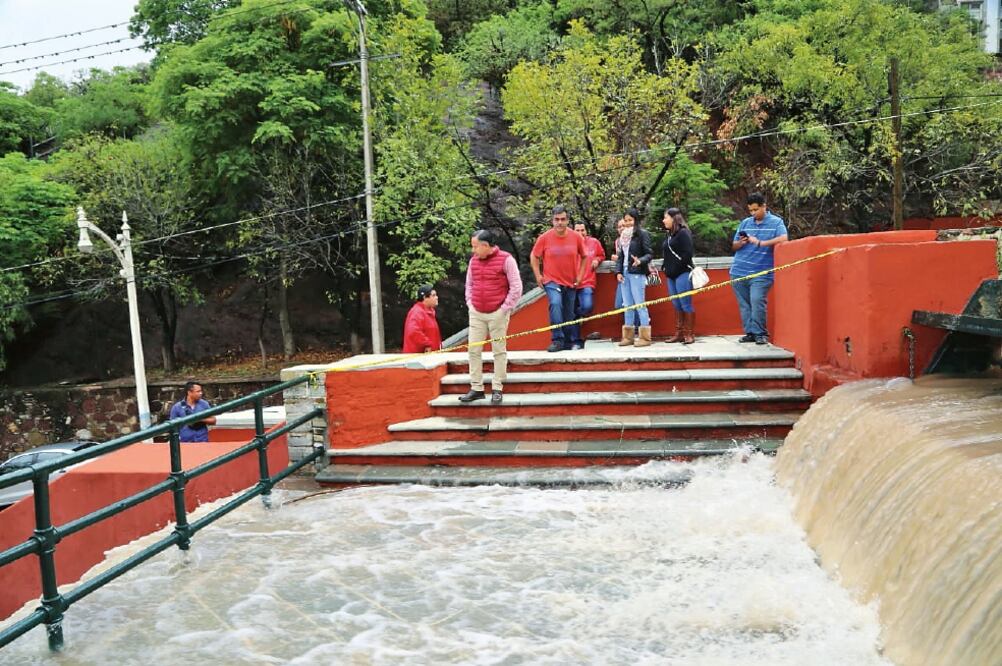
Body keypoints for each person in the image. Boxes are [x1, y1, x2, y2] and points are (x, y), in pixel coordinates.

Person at [462, 229, 523, 405]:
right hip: (477, 313)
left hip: (498, 312)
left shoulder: (506, 260)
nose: (473, 250)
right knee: (473, 350)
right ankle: (477, 388)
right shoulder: (473, 261)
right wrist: (470, 303)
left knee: (498, 350)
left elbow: (516, 287)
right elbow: (469, 284)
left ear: (485, 246)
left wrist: (504, 308)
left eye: (475, 246)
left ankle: (497, 387)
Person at [730, 192, 789, 345]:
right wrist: (741, 243)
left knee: (757, 301)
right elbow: (734, 245)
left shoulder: (776, 222)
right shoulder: (745, 223)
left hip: (762, 272)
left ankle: (760, 333)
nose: (753, 213)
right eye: (750, 210)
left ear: (764, 206)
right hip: (739, 270)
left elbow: (784, 238)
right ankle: (750, 332)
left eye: (756, 209)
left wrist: (761, 243)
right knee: (745, 304)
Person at [531, 206, 588, 352]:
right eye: (557, 219)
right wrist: (538, 275)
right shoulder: (544, 238)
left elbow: (584, 257)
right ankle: (557, 339)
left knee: (569, 313)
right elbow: (534, 256)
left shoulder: (576, 237)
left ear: (567, 220)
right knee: (556, 304)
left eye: (563, 219)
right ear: (552, 221)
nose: (560, 222)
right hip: (551, 280)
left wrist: (580, 276)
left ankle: (568, 342)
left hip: (570, 281)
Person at [615, 208, 653, 347]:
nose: (627, 223)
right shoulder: (623, 237)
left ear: (636, 220)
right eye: (625, 220)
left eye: (630, 220)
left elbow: (649, 254)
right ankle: (628, 336)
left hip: (637, 272)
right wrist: (618, 272)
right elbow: (621, 256)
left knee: (639, 304)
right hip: (625, 272)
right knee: (627, 305)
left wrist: (640, 261)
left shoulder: (642, 234)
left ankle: (645, 337)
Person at [661, 208, 696, 345]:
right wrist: (665, 267)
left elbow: (688, 254)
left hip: (682, 273)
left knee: (685, 303)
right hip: (671, 275)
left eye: (665, 218)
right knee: (676, 304)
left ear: (673, 218)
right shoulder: (670, 235)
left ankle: (689, 334)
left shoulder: (683, 233)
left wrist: (676, 268)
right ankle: (679, 333)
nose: (663, 220)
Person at [571, 222, 606, 347]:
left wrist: (597, 259)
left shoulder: (594, 242)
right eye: (577, 230)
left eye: (582, 230)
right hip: (571, 283)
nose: (580, 233)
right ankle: (576, 342)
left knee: (587, 307)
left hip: (587, 282)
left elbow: (602, 254)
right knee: (572, 313)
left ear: (586, 230)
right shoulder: (568, 243)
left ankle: (575, 315)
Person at [402, 284, 442, 353]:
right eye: (433, 295)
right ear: (424, 298)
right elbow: (413, 331)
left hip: (428, 358)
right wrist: (427, 344)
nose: (437, 297)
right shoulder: (417, 312)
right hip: (419, 360)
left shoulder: (428, 312)